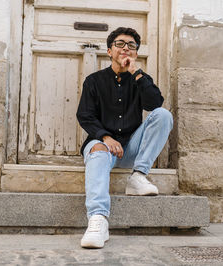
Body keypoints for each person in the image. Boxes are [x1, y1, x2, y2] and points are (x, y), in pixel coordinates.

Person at [76, 27, 173, 248]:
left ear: (136, 53)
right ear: (109, 51)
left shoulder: (140, 79)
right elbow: (85, 116)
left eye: (131, 45)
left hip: (131, 148)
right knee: (98, 150)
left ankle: (138, 176)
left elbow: (154, 104)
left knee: (163, 115)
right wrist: (105, 137)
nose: (125, 48)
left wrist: (137, 73)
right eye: (120, 44)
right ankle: (98, 220)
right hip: (103, 145)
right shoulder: (94, 81)